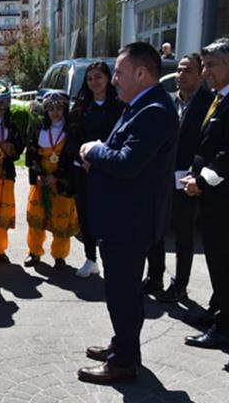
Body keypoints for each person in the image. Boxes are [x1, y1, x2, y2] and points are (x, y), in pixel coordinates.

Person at [78, 42, 179, 384]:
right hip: (123, 218)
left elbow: (126, 162)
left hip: (129, 222)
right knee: (123, 291)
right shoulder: (137, 105)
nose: (114, 78)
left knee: (123, 292)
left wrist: (93, 150)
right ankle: (124, 346)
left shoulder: (153, 111)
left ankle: (123, 362)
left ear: (141, 72)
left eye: (119, 72)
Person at [145, 54, 212, 303]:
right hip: (162, 178)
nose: (181, 76)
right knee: (156, 230)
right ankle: (154, 277)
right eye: (180, 70)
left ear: (201, 74)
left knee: (184, 236)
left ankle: (180, 285)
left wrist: (194, 172)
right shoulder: (169, 101)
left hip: (189, 180)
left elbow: (207, 145)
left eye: (188, 71)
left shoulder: (208, 103)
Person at [182, 38, 229, 349]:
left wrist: (202, 180)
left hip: (223, 198)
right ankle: (218, 311)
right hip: (212, 195)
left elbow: (227, 154)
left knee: (223, 259)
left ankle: (224, 327)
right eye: (205, 65)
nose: (206, 71)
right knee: (216, 257)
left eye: (212, 65)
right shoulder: (218, 97)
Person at [66, 62, 123, 278]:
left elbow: (121, 140)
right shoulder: (80, 107)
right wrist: (85, 161)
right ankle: (91, 259)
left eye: (98, 77)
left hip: (110, 169)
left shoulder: (119, 107)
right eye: (89, 78)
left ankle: (112, 261)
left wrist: (102, 161)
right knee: (86, 215)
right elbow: (72, 139)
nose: (93, 82)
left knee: (110, 216)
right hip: (84, 169)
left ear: (108, 79)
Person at [24, 91, 78, 270]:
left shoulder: (72, 131)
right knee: (36, 219)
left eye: (59, 109)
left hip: (61, 184)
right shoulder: (39, 128)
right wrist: (38, 174)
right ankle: (34, 252)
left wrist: (57, 176)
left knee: (61, 221)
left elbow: (72, 159)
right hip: (41, 183)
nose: (55, 113)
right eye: (51, 109)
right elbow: (31, 155)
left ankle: (60, 256)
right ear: (45, 110)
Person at [0, 80, 25, 263]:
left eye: (2, 106)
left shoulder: (12, 126)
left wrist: (11, 148)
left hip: (6, 175)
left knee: (3, 212)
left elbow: (19, 146)